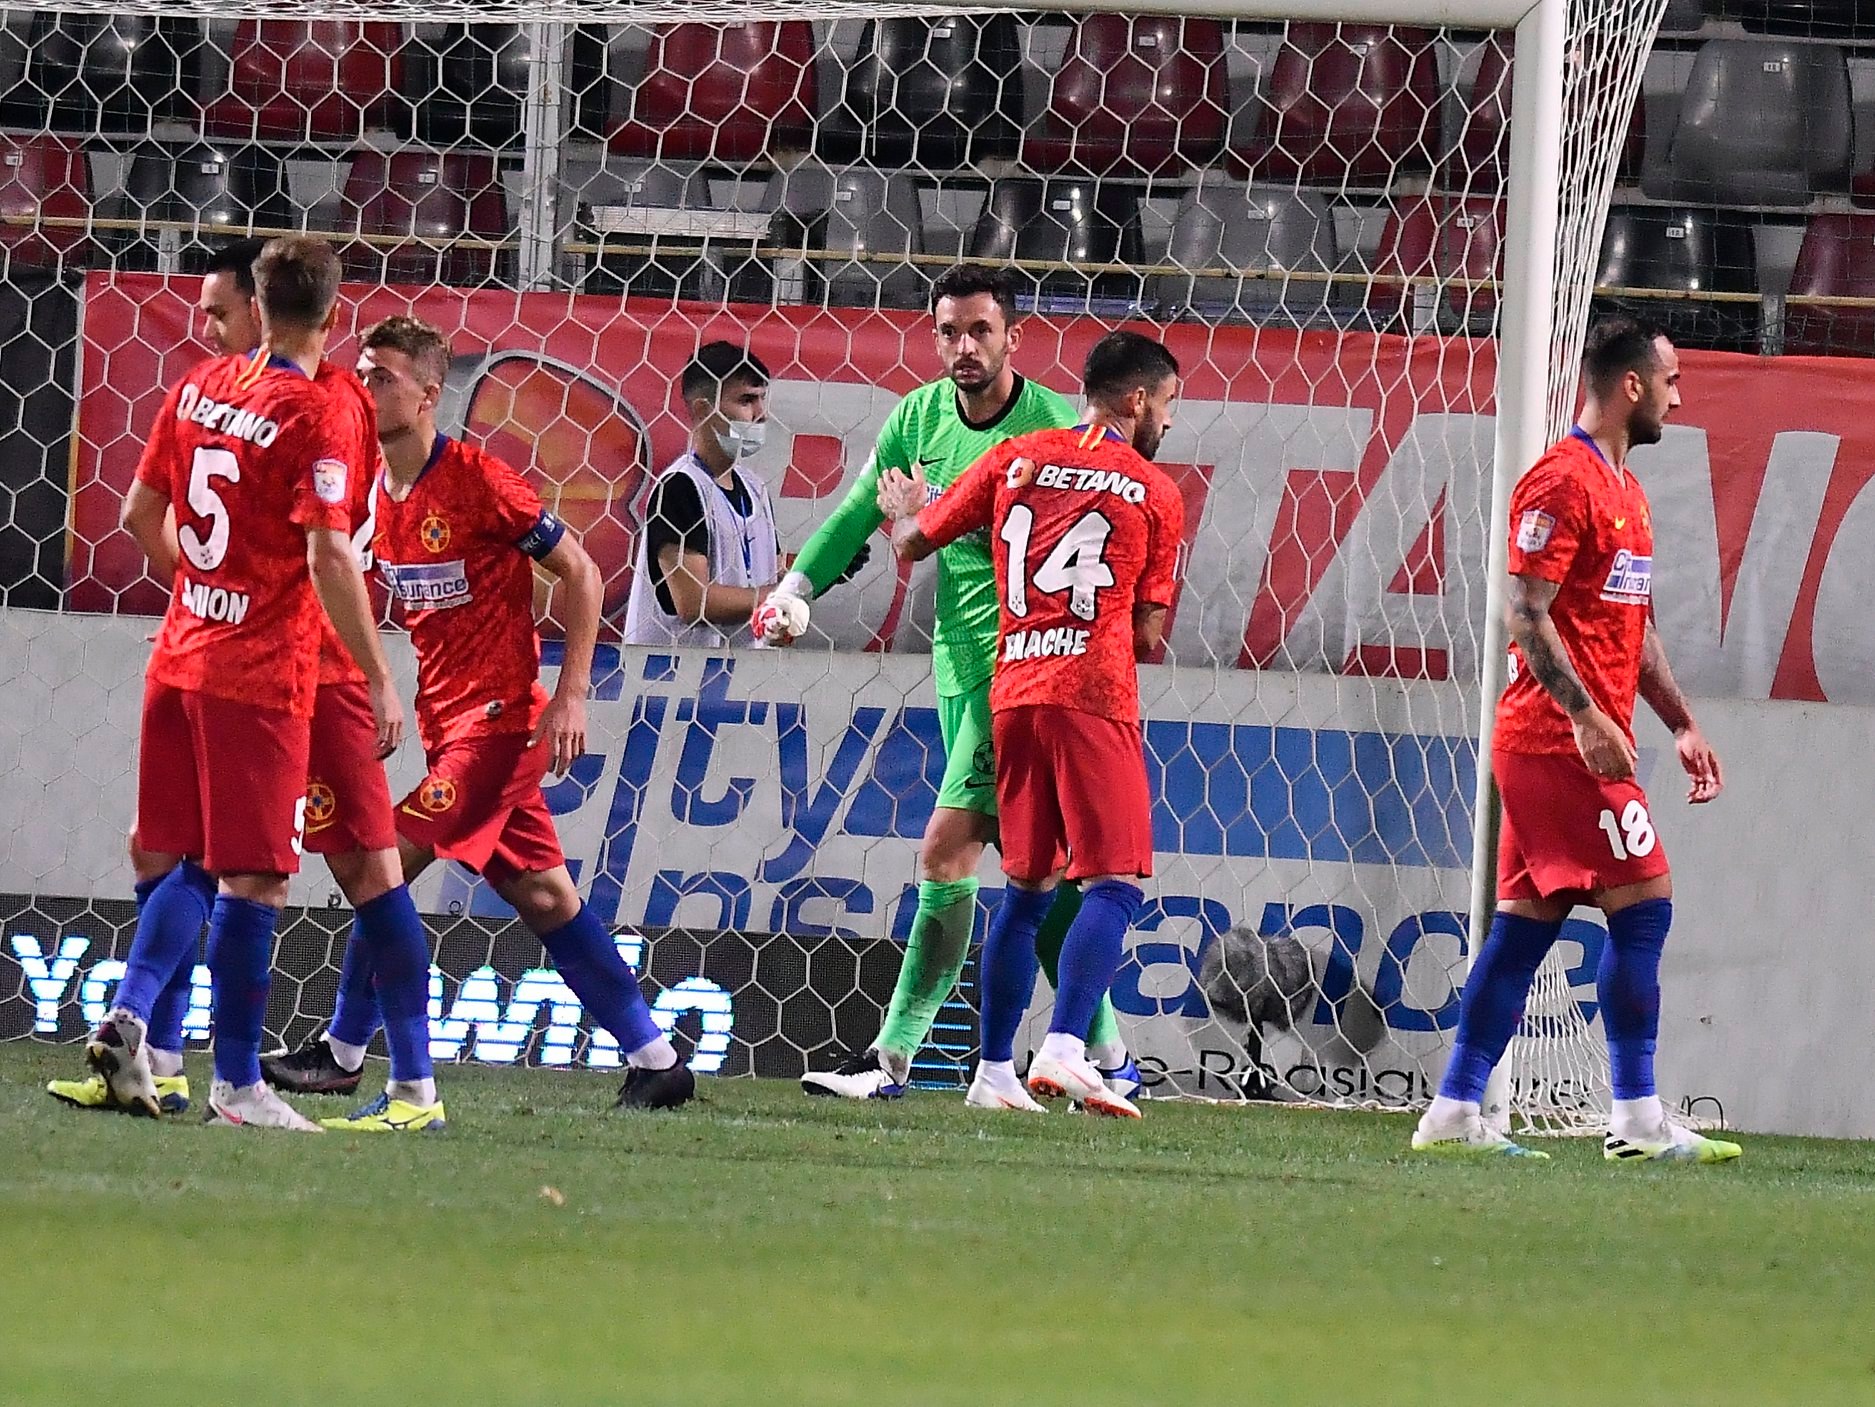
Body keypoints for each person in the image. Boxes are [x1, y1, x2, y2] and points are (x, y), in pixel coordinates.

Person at [48, 239, 443, 1133]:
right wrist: (385, 676)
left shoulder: (196, 387)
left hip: (189, 654)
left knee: (188, 856)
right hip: (274, 669)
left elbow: (143, 513)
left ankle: (147, 1028)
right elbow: (329, 550)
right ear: (335, 318)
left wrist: (199, 589)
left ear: (257, 309)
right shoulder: (327, 409)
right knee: (261, 874)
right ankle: (233, 1081)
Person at [263, 314, 695, 1111]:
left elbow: (582, 571)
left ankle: (343, 1049)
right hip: (448, 725)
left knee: (380, 865)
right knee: (545, 898)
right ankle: (656, 1056)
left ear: (429, 394)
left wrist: (571, 693)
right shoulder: (373, 490)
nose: (365, 386)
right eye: (360, 372)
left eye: (382, 376)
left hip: (500, 725)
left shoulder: (479, 479)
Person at [765, 264, 1139, 1103]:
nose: (962, 347)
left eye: (979, 330)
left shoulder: (1049, 427)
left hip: (1022, 668)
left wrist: (928, 517)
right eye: (947, 332)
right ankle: (1107, 1053)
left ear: (1015, 336)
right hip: (955, 664)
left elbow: (1028, 554)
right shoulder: (918, 416)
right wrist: (794, 589)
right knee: (1025, 863)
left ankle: (890, 1060)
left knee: (948, 851)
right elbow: (859, 508)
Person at [1411, 317, 1741, 1164]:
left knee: (1523, 928)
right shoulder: (1561, 480)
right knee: (1646, 904)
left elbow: (1637, 629)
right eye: (1670, 377)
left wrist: (1680, 722)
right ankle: (1633, 1114)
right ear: (1630, 384)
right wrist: (1586, 715)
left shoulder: (1622, 489)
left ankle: (1451, 1109)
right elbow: (1523, 610)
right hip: (1555, 742)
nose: (1680, 392)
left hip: (1564, 740)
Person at [880, 330, 1185, 1117]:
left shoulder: (1016, 455)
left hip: (1011, 693)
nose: (1169, 422)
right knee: (1112, 883)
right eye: (1168, 403)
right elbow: (1148, 633)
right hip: (1091, 694)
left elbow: (914, 541)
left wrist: (900, 514)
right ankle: (1062, 1047)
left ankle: (991, 1073)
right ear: (1135, 400)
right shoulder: (1153, 488)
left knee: (1025, 890)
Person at [623, 341, 787, 647]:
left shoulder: (755, 489)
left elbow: (774, 576)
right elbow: (693, 602)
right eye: (747, 400)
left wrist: (821, 572)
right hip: (671, 682)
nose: (761, 414)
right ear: (703, 408)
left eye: (762, 399)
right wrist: (783, 594)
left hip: (742, 681)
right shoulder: (680, 487)